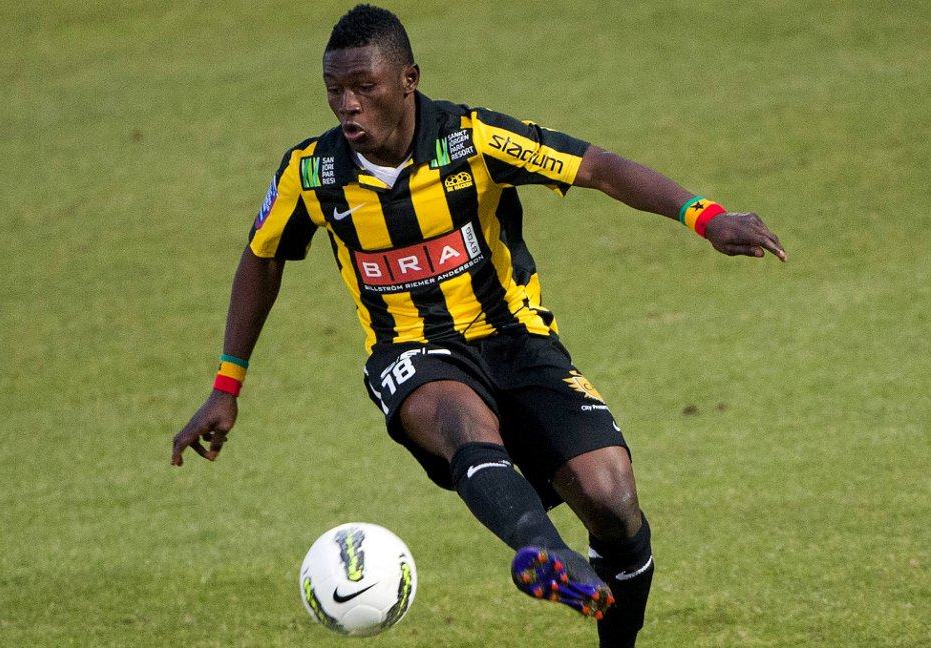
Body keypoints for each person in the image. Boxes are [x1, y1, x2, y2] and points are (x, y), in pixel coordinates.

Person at [172, 5, 786, 646]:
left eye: (364, 87)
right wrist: (226, 385)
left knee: (611, 498)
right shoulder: (311, 173)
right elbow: (262, 256)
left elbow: (597, 168)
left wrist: (705, 216)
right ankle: (541, 554)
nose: (347, 105)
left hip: (517, 337)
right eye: (334, 90)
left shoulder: (473, 140)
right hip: (410, 349)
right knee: (460, 421)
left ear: (408, 79)